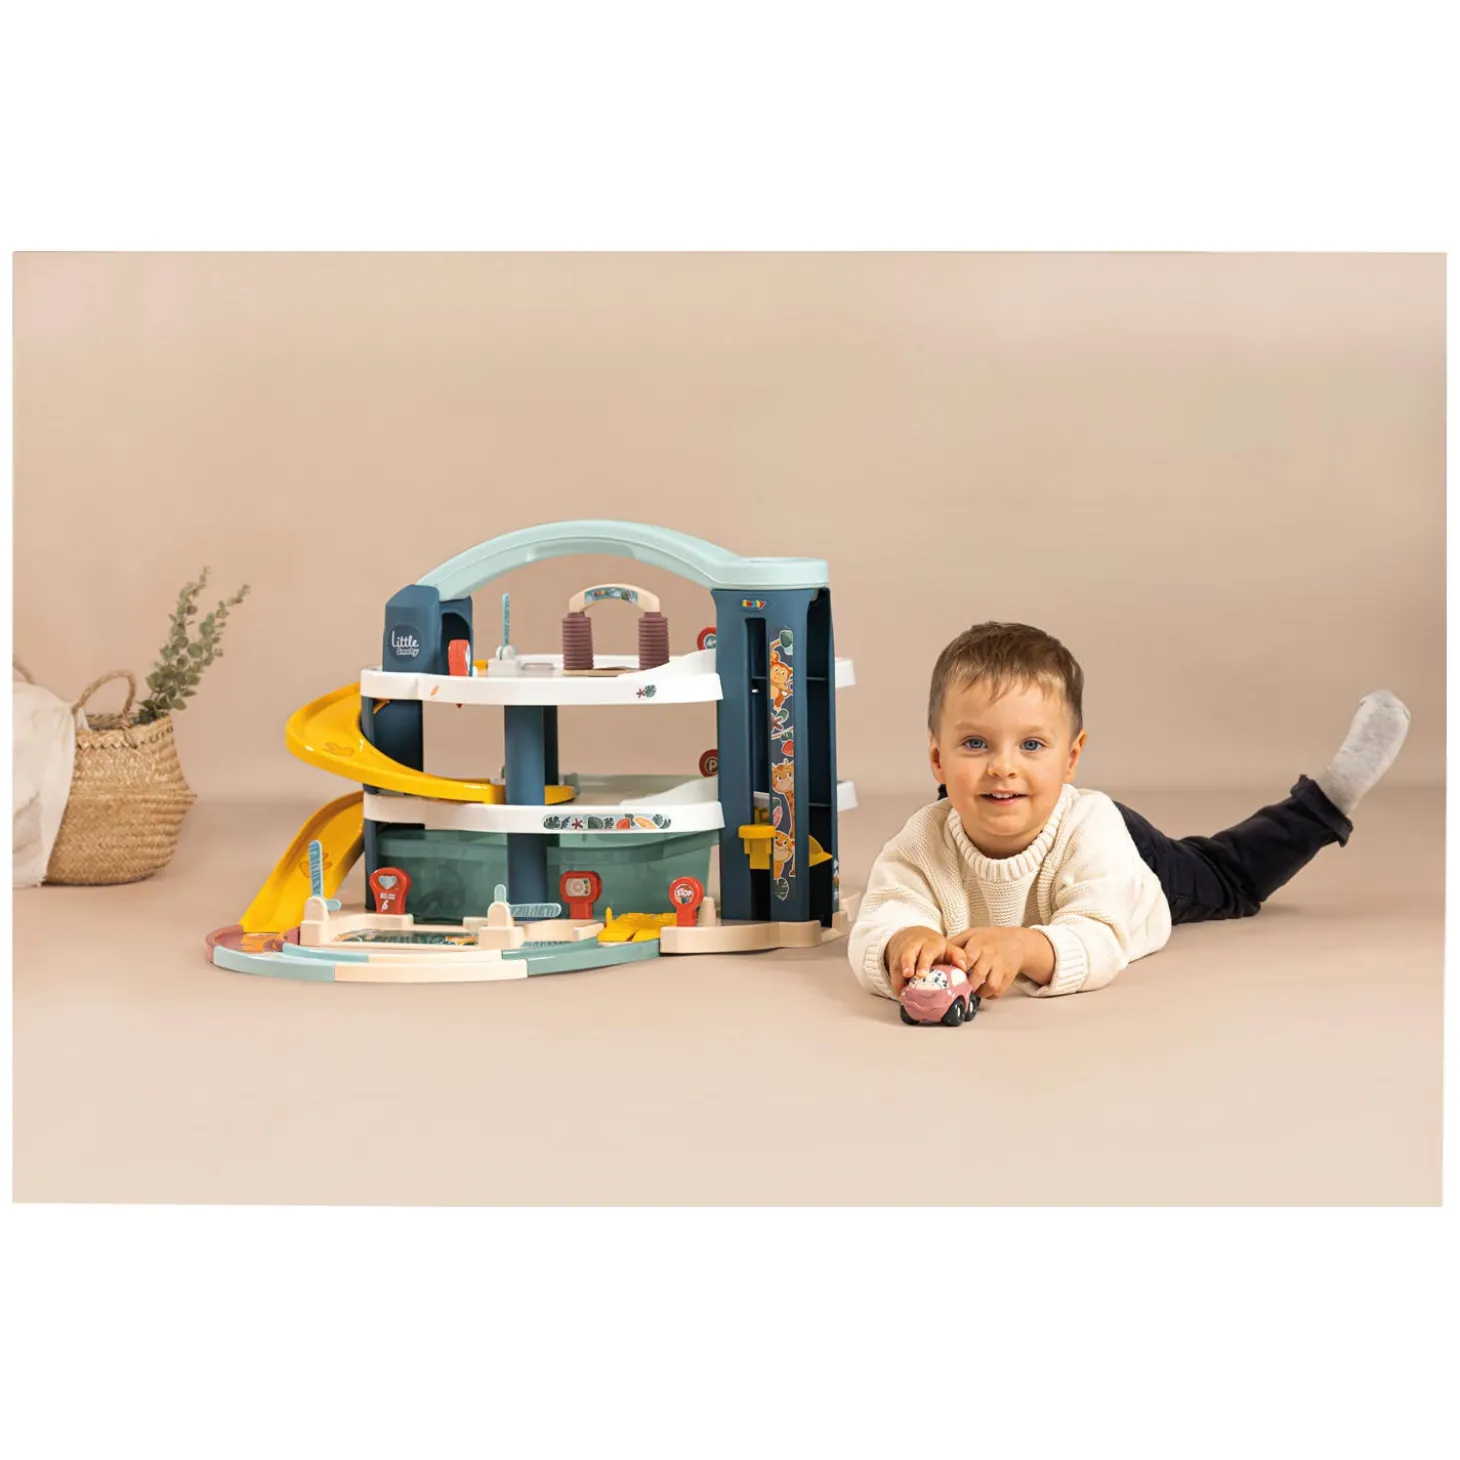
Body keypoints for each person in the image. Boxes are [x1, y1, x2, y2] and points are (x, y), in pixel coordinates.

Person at [848, 621, 1411, 1002]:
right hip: (1024, 831)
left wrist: (1023, 946)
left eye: (1032, 745)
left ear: (1071, 759)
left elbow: (1101, 938)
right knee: (933, 863)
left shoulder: (1094, 832)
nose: (1003, 767)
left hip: (1109, 852)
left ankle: (1324, 802)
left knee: (1229, 879)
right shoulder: (921, 839)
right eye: (975, 744)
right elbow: (880, 917)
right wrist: (903, 940)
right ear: (936, 758)